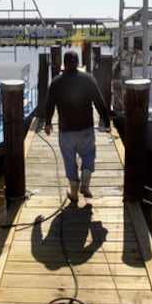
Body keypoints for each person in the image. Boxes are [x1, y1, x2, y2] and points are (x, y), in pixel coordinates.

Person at [44, 50, 111, 202]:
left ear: (64, 64)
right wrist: (106, 122)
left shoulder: (56, 82)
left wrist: (48, 122)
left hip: (66, 130)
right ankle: (85, 184)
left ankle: (74, 193)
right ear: (78, 63)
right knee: (88, 154)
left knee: (69, 160)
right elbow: (100, 102)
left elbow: (49, 104)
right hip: (85, 128)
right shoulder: (88, 79)